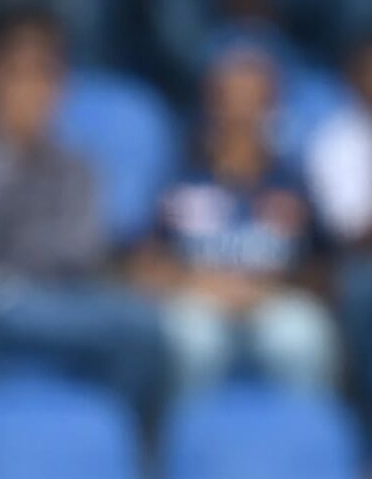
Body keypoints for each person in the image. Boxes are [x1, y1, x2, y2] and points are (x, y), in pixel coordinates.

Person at [0, 7, 164, 412]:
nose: (30, 88)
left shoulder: (79, 166)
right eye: (16, 72)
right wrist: (11, 157)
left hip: (57, 302)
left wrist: (19, 276)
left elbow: (80, 251)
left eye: (44, 73)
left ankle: (121, 437)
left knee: (139, 326)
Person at [130, 38, 338, 397]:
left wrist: (270, 289)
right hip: (197, 300)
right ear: (212, 103)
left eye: (253, 99)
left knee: (302, 337)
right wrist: (199, 283)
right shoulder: (180, 177)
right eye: (231, 97)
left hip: (274, 302)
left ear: (272, 106)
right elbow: (142, 266)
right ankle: (178, 429)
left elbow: (326, 272)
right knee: (194, 339)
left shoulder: (293, 181)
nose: (241, 111)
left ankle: (306, 430)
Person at [307, 28, 372, 413]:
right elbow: (349, 233)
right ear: (353, 80)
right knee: (360, 288)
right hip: (362, 265)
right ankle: (360, 413)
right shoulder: (334, 142)